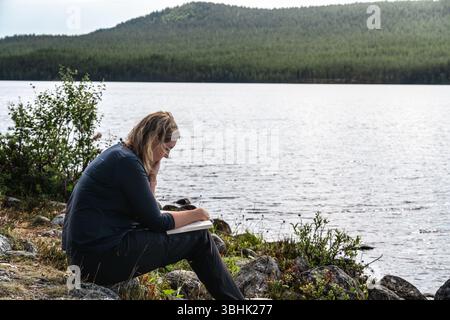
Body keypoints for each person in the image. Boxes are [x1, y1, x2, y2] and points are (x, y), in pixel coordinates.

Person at [62, 111, 244, 300]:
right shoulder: (128, 163)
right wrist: (198, 214)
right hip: (98, 263)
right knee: (200, 237)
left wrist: (153, 177)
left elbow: (146, 214)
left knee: (185, 231)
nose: (166, 155)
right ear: (153, 139)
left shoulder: (119, 154)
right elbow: (156, 221)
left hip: (80, 262)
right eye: (167, 148)